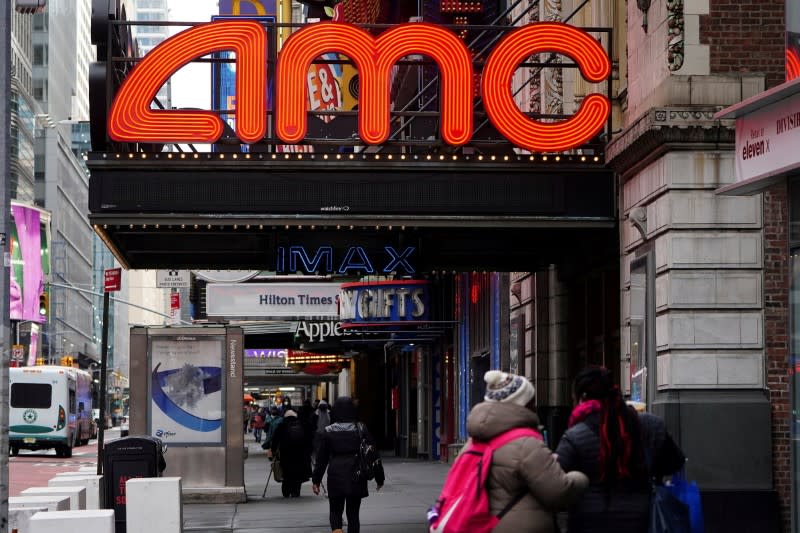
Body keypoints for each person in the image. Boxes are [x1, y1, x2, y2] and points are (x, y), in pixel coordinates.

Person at [555, 366, 686, 533]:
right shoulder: (650, 426)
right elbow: (674, 462)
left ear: (582, 398)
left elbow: (556, 483)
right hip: (642, 520)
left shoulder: (574, 437)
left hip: (589, 521)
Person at [464, 370, 589, 533]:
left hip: (485, 525)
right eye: (532, 399)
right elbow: (558, 491)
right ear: (523, 403)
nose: (535, 405)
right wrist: (580, 477)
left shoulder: (473, 442)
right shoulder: (526, 444)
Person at [312, 396, 385, 533]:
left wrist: (316, 480)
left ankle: (337, 530)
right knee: (353, 514)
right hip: (356, 473)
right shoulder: (361, 428)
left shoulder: (328, 431)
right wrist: (379, 478)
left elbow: (321, 460)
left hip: (335, 474)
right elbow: (373, 455)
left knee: (335, 510)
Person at [270, 409, 312, 497]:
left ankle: (286, 491)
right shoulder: (303, 425)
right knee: (298, 473)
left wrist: (274, 452)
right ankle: (296, 491)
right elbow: (309, 439)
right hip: (300, 454)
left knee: (287, 473)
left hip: (286, 454)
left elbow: (275, 440)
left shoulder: (281, 425)